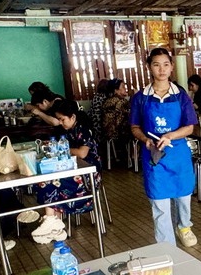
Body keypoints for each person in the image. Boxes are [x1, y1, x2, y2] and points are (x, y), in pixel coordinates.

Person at [130, 48, 199, 247]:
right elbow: (135, 127)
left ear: (171, 67)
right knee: (159, 201)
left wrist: (170, 135)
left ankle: (184, 227)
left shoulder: (180, 96)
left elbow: (189, 127)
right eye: (156, 64)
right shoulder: (141, 97)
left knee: (183, 195)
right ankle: (166, 244)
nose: (161, 69)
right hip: (154, 156)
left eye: (166, 64)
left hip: (178, 154)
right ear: (149, 67)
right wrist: (145, 139)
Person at [28, 100, 104, 244]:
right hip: (73, 171)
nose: (61, 123)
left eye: (63, 119)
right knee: (44, 180)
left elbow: (82, 153)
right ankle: (54, 224)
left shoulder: (84, 129)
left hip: (88, 176)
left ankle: (52, 221)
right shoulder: (66, 130)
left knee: (49, 182)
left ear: (73, 117)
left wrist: (60, 149)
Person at [93, 79, 133, 166]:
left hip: (108, 133)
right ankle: (136, 159)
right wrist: (134, 96)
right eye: (123, 87)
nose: (125, 89)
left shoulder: (108, 101)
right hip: (120, 133)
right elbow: (132, 111)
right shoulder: (120, 101)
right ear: (116, 91)